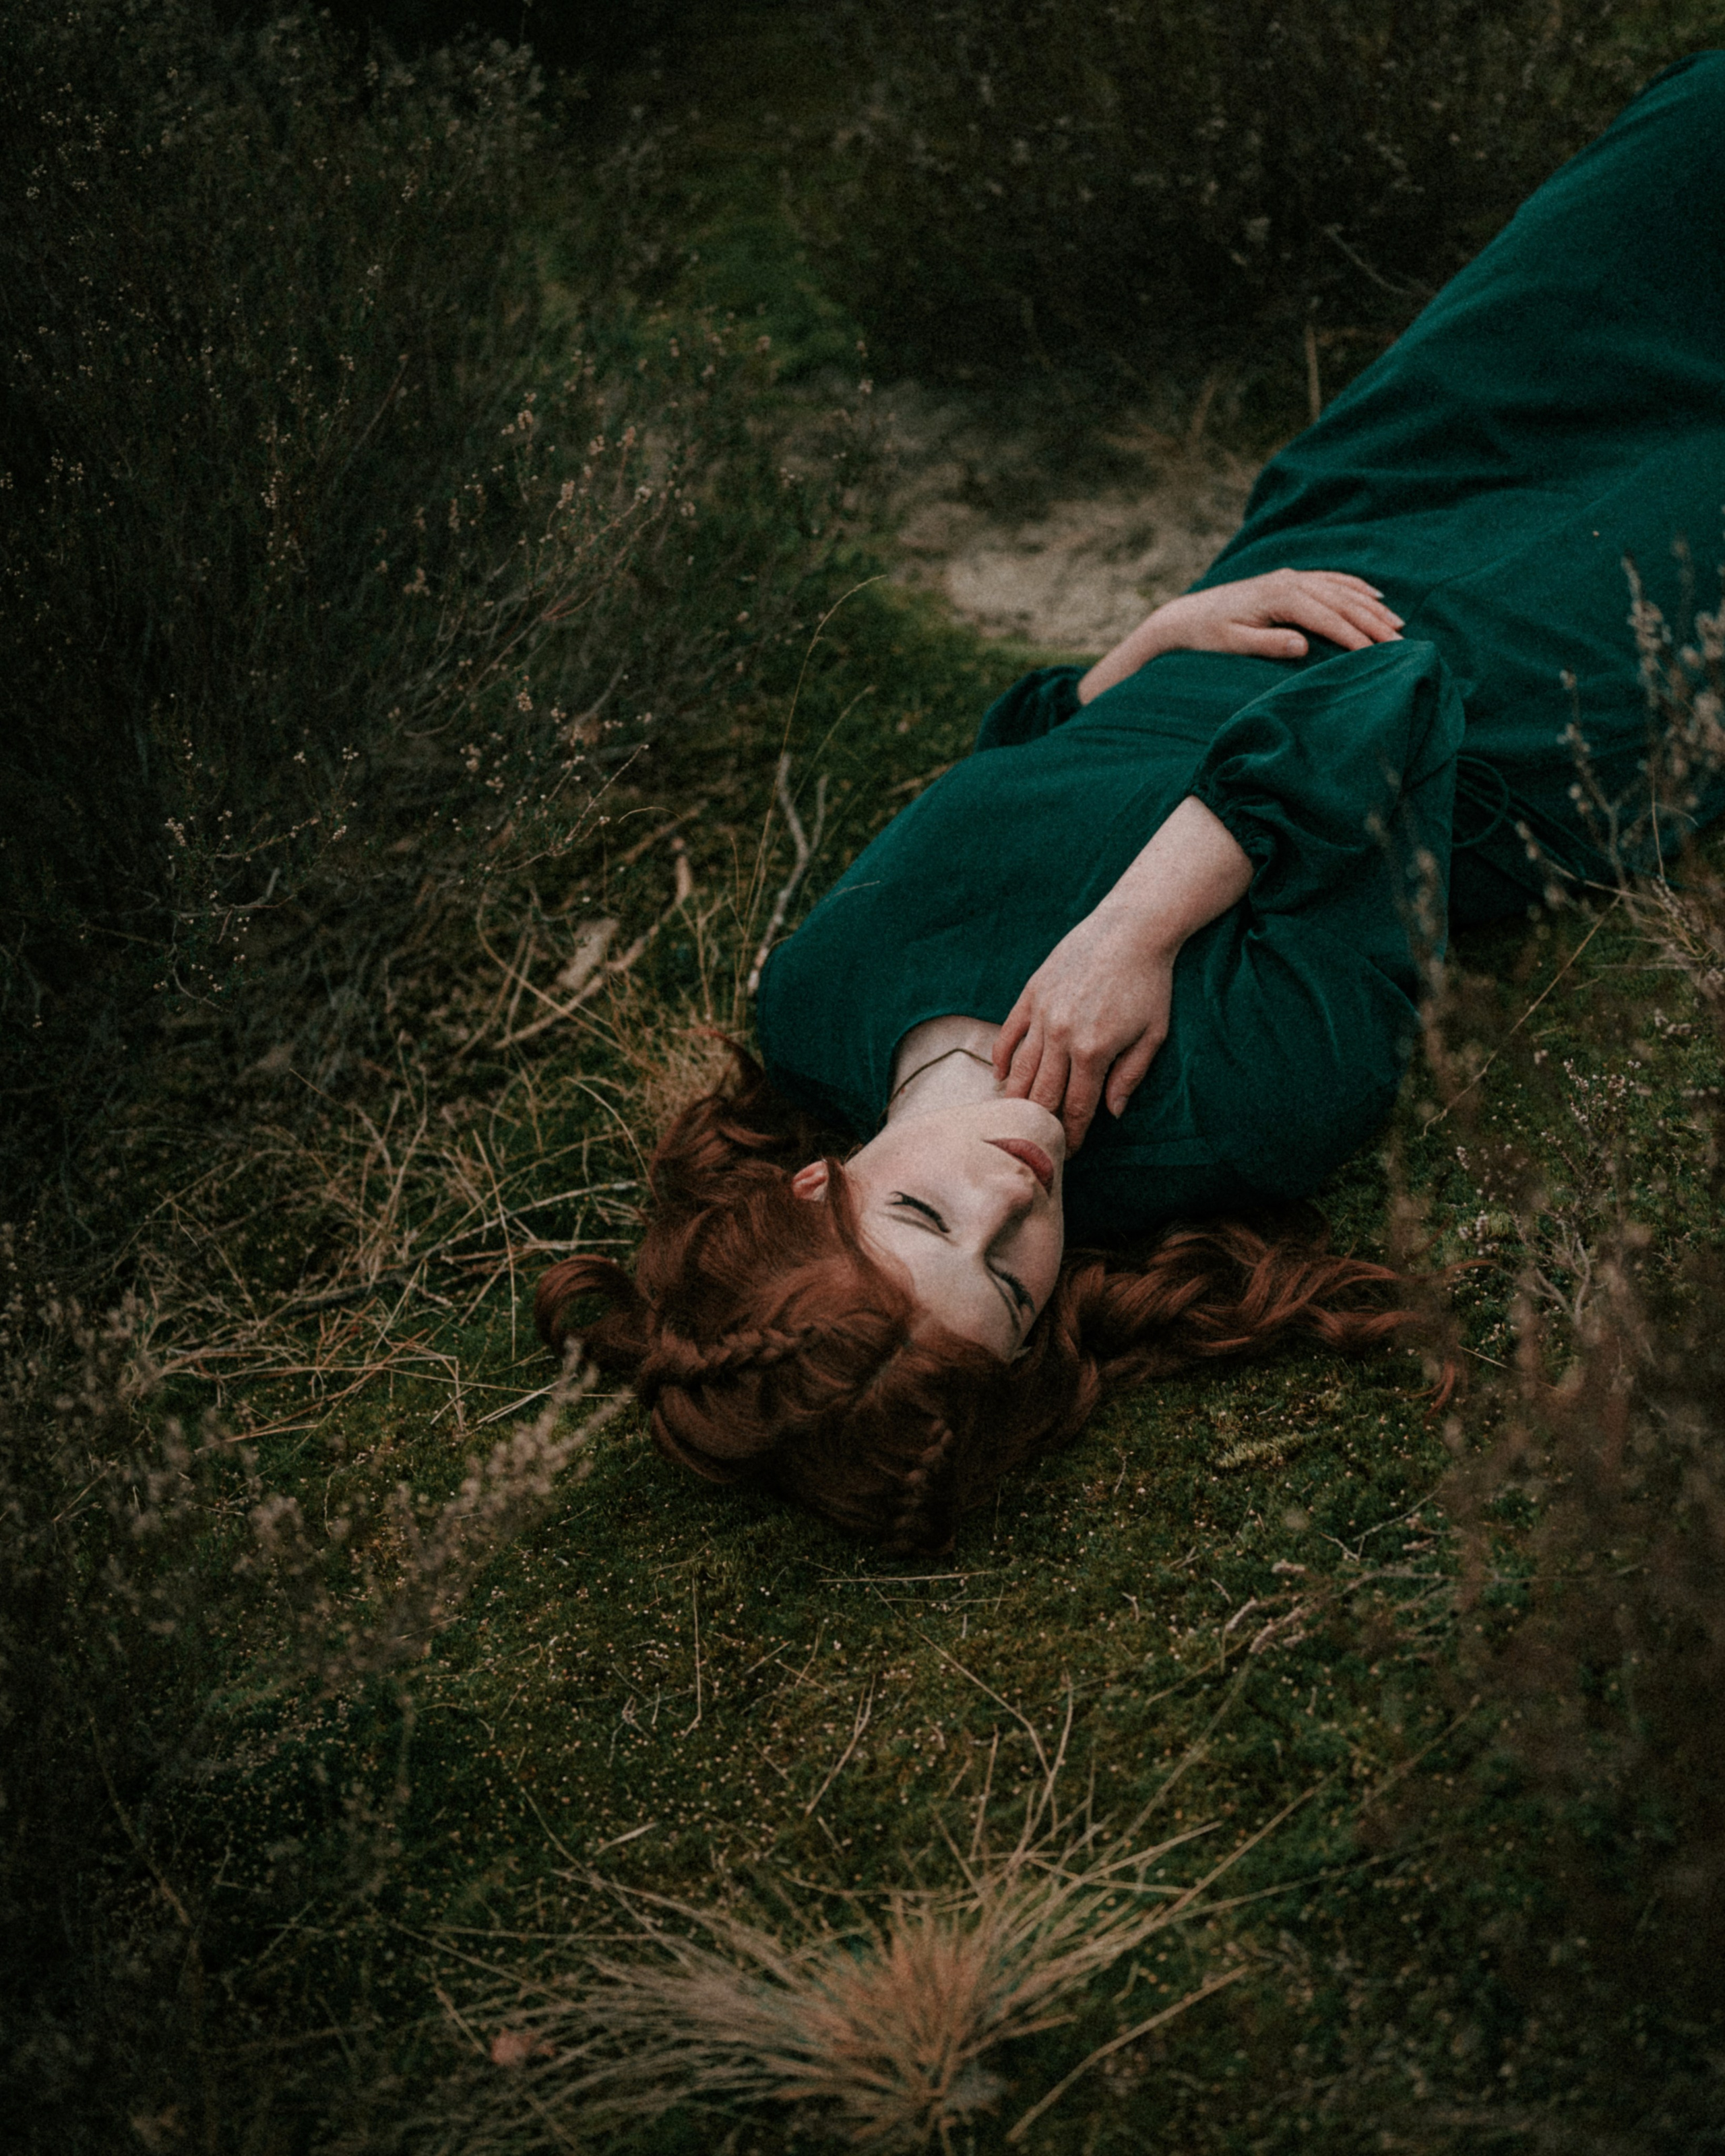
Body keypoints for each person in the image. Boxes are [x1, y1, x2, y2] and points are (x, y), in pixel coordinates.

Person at [537, 53, 1725, 1550]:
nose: (1014, 1198)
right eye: (1016, 1280)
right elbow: (1396, 698)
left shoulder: (818, 995)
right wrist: (1137, 930)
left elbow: (1015, 774)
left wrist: (1142, 646)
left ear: (818, 1179)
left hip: (1330, 535)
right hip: (1524, 690)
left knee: (1680, 157)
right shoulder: (1236, 1106)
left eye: (924, 1220)